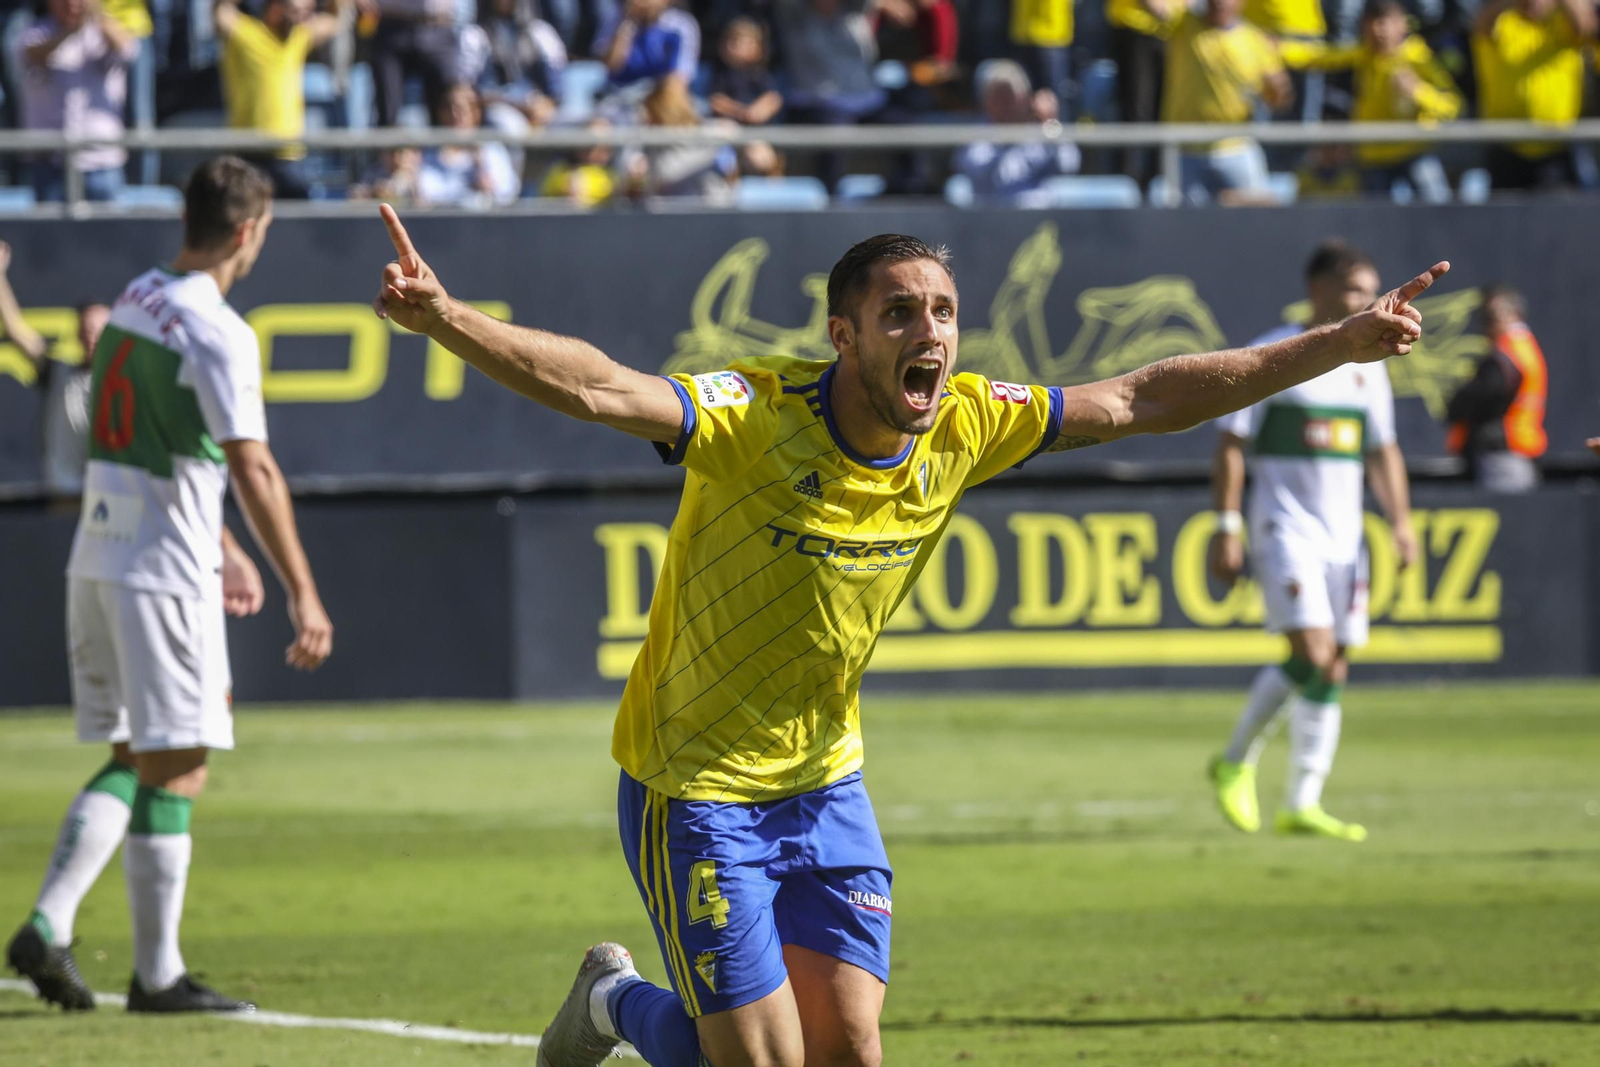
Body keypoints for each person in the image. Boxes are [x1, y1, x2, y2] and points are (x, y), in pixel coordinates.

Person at [371, 202, 1447, 1067]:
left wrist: (1339, 345)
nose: (927, 331)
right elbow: (603, 387)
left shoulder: (971, 418)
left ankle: (617, 1004)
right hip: (691, 779)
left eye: (941, 311)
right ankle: (611, 999)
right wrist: (448, 318)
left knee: (850, 1051)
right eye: (898, 313)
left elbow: (1141, 397)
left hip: (825, 779)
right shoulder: (751, 412)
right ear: (843, 334)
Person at [5, 156, 333, 1015]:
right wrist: (301, 586)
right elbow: (252, 465)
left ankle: (50, 919)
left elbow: (160, 444)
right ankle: (157, 975)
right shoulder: (219, 330)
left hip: (100, 554)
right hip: (160, 571)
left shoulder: (136, 298)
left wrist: (223, 541)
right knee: (180, 763)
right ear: (249, 231)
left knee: (134, 754)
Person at [1206, 241, 1418, 844]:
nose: (1366, 303)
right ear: (1318, 291)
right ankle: (1234, 759)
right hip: (1284, 526)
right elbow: (1230, 443)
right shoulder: (1274, 354)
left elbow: (1383, 451)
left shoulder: (1368, 369)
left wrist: (1400, 522)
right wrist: (1227, 525)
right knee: (1315, 653)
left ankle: (1302, 801)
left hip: (1345, 538)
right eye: (1355, 292)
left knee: (1334, 666)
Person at [1281, 0, 1461, 202]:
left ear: (1403, 25)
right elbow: (1320, 57)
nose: (1378, 31)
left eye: (1385, 23)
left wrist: (1418, 91)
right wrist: (1278, 49)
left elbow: (1451, 106)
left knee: (1439, 211)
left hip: (1414, 152)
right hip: (1374, 156)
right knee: (1374, 223)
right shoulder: (1363, 54)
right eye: (1372, 23)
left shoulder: (1418, 58)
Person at [0, 242, 110, 508]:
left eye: (98, 329)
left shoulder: (127, 381)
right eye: (86, 329)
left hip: (109, 498)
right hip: (64, 494)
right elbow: (16, 330)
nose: (91, 336)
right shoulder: (59, 372)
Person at [1152, 0, 1293, 204]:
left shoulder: (1255, 41)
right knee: (1184, 228)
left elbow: (1279, 100)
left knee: (1258, 219)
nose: (1219, 2)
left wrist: (1278, 90)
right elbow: (1153, 6)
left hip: (1236, 148)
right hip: (1186, 149)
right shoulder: (1184, 24)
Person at [216, 0, 349, 200]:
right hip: (248, 155)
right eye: (297, 12)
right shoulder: (245, 34)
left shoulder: (298, 37)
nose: (304, 18)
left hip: (289, 157)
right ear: (276, 10)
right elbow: (221, 10)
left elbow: (335, 20)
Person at [14, 0, 141, 202]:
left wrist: (96, 15)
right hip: (50, 163)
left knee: (110, 231)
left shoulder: (105, 32)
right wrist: (72, 31)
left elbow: (127, 48)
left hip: (101, 162)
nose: (72, 4)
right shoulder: (33, 32)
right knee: (49, 233)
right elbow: (32, 53)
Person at [1472, 0, 1597, 191]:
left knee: (1560, 217)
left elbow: (1585, 27)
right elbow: (1482, 27)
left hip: (1557, 147)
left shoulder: (1562, 25)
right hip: (1507, 149)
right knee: (1505, 218)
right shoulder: (1504, 23)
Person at [1444, 285, 1548, 492]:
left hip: (1502, 456)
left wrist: (1456, 404)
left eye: (1491, 317)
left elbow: (1478, 397)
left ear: (1513, 314)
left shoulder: (1507, 354)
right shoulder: (1526, 348)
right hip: (1515, 452)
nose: (1486, 326)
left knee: (1507, 519)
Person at [954, 58, 1081, 204]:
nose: (1005, 104)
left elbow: (1069, 165)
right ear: (986, 101)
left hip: (1039, 219)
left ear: (1026, 98)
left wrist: (1051, 122)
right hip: (991, 219)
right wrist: (1008, 141)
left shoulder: (1044, 130)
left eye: (1010, 96)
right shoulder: (977, 134)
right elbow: (977, 169)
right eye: (998, 97)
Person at [417, 83, 521, 206]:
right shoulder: (427, 153)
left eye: (462, 109)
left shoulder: (492, 150)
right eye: (449, 108)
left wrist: (486, 178)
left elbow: (506, 193)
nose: (455, 115)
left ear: (475, 113)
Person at [595, 0, 701, 89]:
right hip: (618, 93)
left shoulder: (682, 24)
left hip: (661, 96)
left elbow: (681, 79)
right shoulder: (618, 17)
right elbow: (610, 67)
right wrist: (628, 22)